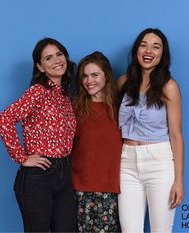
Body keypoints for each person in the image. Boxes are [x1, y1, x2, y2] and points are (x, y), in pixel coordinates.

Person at [0, 38, 77, 232]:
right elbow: (4, 120)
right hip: (39, 176)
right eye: (48, 58)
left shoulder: (65, 96)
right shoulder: (37, 92)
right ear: (40, 67)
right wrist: (21, 157)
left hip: (64, 173)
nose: (57, 60)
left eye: (59, 54)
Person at [117, 28, 184, 233]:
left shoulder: (168, 86)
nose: (149, 50)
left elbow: (176, 135)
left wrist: (179, 180)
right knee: (129, 230)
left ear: (162, 55)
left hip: (159, 161)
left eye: (156, 47)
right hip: (126, 162)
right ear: (137, 50)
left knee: (161, 230)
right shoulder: (123, 82)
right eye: (144, 45)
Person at [71, 51, 122, 232]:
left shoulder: (120, 108)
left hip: (110, 189)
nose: (89, 80)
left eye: (95, 75)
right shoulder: (75, 107)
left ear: (107, 77)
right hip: (78, 188)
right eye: (84, 76)